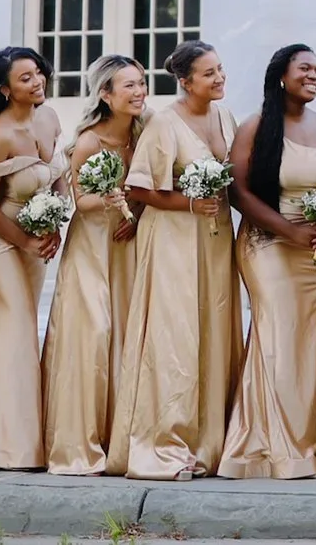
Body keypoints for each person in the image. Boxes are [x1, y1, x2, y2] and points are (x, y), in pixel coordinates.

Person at [113, 41, 242, 479]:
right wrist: (188, 203)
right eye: (209, 73)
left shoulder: (225, 116)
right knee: (176, 333)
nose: (219, 78)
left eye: (220, 69)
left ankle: (211, 441)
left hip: (216, 237)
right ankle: (166, 442)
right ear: (186, 82)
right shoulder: (165, 123)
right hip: (173, 238)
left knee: (214, 329)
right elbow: (137, 188)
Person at [222, 43, 316, 480]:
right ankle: (274, 450)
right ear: (282, 75)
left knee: (309, 342)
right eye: (305, 68)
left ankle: (307, 445)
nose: (315, 75)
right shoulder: (256, 126)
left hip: (315, 247)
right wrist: (290, 229)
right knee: (279, 339)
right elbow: (237, 191)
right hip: (268, 244)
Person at [44, 53, 147, 476]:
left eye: (141, 83)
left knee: (125, 333)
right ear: (105, 94)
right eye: (129, 86)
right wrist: (107, 201)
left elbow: (151, 183)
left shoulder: (146, 132)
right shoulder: (89, 140)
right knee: (94, 332)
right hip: (92, 246)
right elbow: (79, 202)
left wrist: (134, 212)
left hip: (129, 243)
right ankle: (78, 442)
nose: (139, 92)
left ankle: (121, 437)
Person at [0, 46, 62, 471]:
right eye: (25, 78)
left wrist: (55, 220)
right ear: (4, 89)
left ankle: (17, 434)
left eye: (38, 72)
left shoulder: (50, 117)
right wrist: (23, 240)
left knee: (16, 329)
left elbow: (58, 176)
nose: (37, 80)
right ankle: (3, 448)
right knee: (20, 326)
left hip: (36, 240)